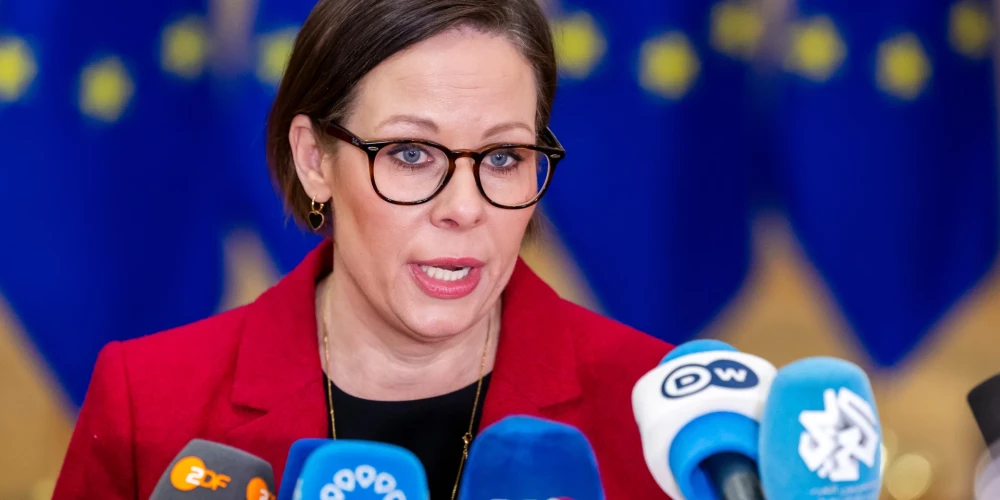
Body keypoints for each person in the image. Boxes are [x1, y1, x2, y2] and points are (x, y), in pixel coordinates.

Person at [53, 0, 674, 498]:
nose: (464, 207)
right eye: (411, 153)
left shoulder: (657, 410)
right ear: (314, 160)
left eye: (503, 157)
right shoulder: (148, 402)